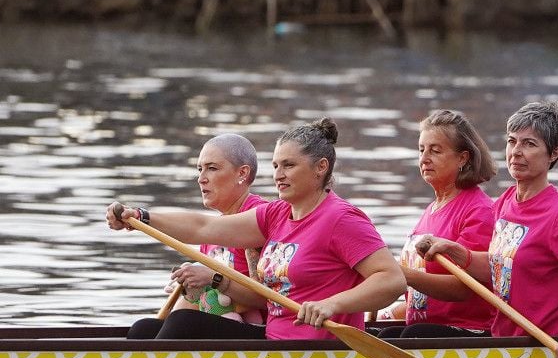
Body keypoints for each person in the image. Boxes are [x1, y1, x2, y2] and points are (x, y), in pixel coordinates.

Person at [107, 118, 406, 340]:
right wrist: (143, 216)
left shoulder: (342, 219)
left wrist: (332, 304)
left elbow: (392, 281)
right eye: (275, 166)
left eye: (288, 165)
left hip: (317, 353)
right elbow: (203, 226)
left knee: (183, 324)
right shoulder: (276, 214)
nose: (278, 175)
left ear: (321, 167)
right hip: (274, 343)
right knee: (144, 329)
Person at [421, 101, 558, 358]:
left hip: (547, 348)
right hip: (506, 344)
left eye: (529, 144)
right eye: (512, 142)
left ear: (553, 154)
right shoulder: (504, 202)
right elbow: (497, 268)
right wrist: (453, 250)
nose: (516, 152)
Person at [127, 133, 269, 339]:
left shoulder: (259, 216)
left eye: (212, 168)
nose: (201, 178)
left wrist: (213, 279)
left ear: (242, 173)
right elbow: (198, 301)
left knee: (182, 322)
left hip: (260, 331)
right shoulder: (212, 231)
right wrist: (191, 286)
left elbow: (267, 299)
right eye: (200, 169)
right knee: (142, 329)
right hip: (220, 320)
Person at [377, 109, 497, 338]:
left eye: (435, 151)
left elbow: (464, 288)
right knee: (373, 334)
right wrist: (391, 311)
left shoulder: (478, 210)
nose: (424, 159)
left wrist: (400, 274)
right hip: (426, 325)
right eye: (422, 150)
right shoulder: (432, 209)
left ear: (463, 158)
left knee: (410, 335)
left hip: (468, 330)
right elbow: (422, 296)